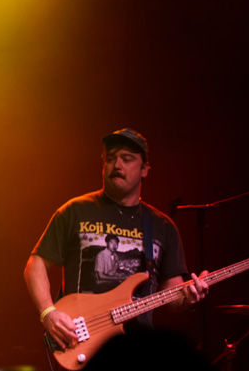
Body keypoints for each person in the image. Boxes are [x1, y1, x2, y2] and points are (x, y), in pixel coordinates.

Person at [23, 128, 208, 352]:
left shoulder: (162, 226)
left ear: (145, 169)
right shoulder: (75, 211)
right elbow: (36, 265)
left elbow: (173, 296)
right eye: (110, 159)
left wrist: (190, 297)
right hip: (81, 341)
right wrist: (48, 313)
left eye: (127, 159)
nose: (117, 165)